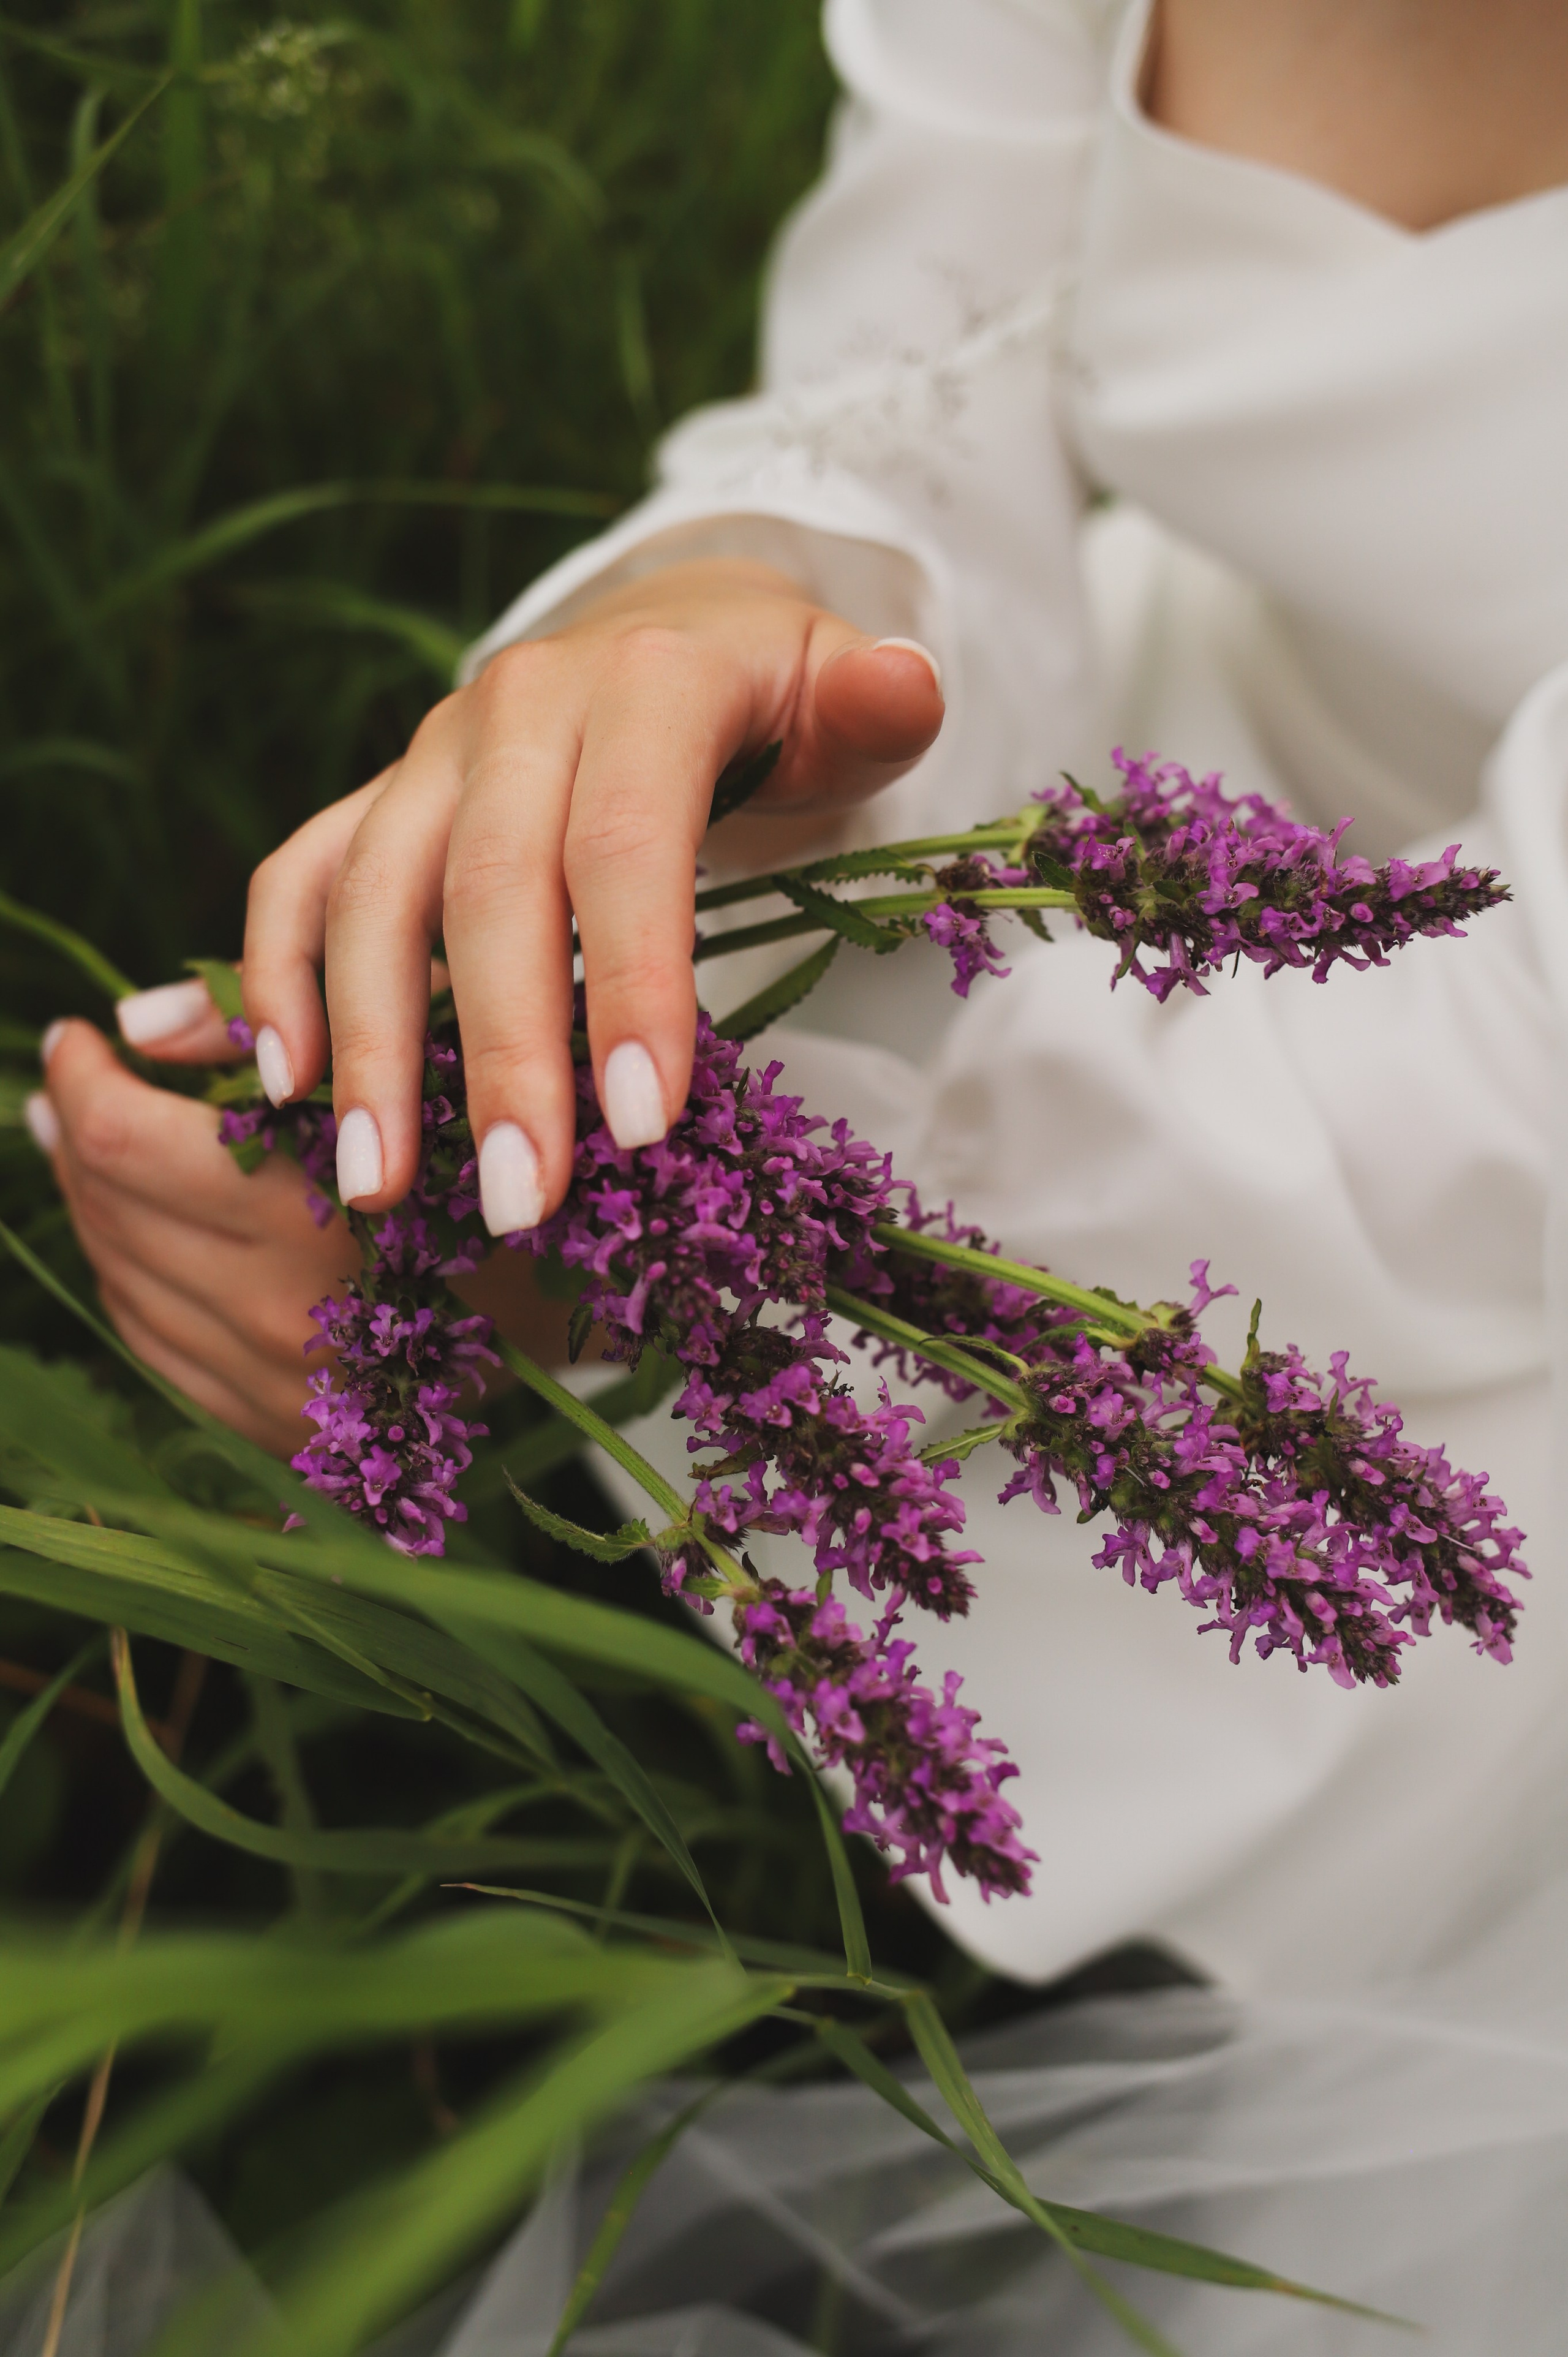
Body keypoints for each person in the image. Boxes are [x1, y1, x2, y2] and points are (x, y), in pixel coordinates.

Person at [23, 3, 1568, 2337]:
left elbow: (1504, 1090)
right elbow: (939, 362)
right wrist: (723, 612)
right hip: (1248, 780)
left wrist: (632, 1260)